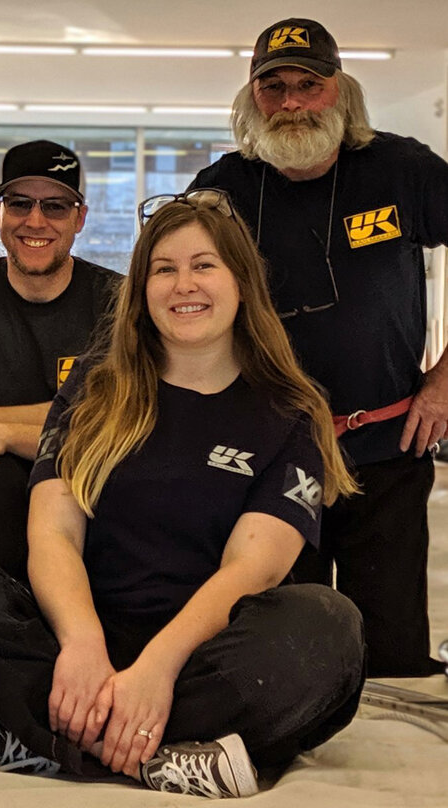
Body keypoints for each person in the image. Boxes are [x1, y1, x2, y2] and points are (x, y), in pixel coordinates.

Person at [0, 191, 365, 798]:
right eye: (163, 269)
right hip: (83, 638)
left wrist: (157, 669)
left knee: (330, 628)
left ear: (242, 282)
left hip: (207, 653)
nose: (183, 284)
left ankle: (48, 740)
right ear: (142, 291)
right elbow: (54, 533)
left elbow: (252, 569)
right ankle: (167, 754)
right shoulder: (95, 388)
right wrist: (84, 645)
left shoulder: (289, 412)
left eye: (204, 265)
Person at [191, 18, 448, 676]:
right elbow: (179, 305)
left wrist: (445, 381)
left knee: (389, 658)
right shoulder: (221, 190)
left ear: (341, 90)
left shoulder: (403, 170)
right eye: (273, 86)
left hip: (385, 451)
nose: (292, 102)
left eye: (310, 84)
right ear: (252, 97)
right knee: (284, 648)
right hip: (265, 456)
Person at [0, 140, 120, 582]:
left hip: (91, 481)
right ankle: (19, 618)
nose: (35, 221)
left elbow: (118, 426)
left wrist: (4, 432)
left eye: (54, 206)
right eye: (20, 203)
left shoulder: (119, 300)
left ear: (79, 218)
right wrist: (77, 416)